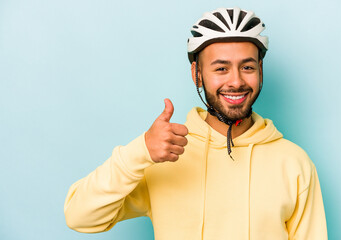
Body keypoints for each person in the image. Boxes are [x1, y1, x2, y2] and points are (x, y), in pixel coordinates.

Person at [64, 7, 327, 240]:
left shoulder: (294, 163)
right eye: (221, 68)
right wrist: (141, 150)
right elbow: (80, 216)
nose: (236, 81)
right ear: (197, 75)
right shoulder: (164, 155)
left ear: (260, 70)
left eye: (247, 67)